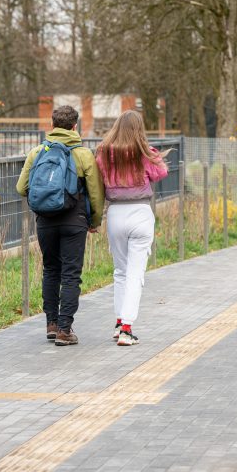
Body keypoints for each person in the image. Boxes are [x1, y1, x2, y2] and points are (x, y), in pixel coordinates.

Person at [16, 105, 104, 345]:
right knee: (71, 274)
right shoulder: (84, 154)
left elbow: (21, 188)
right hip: (74, 220)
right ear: (75, 127)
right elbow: (95, 193)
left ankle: (52, 324)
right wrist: (94, 221)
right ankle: (65, 330)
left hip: (45, 220)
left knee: (51, 270)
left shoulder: (37, 153)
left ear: (51, 125)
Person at [96, 110, 168, 346]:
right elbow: (161, 173)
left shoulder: (104, 154)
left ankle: (118, 323)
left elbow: (98, 175)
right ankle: (127, 328)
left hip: (115, 213)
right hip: (140, 212)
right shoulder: (144, 153)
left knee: (120, 271)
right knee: (136, 273)